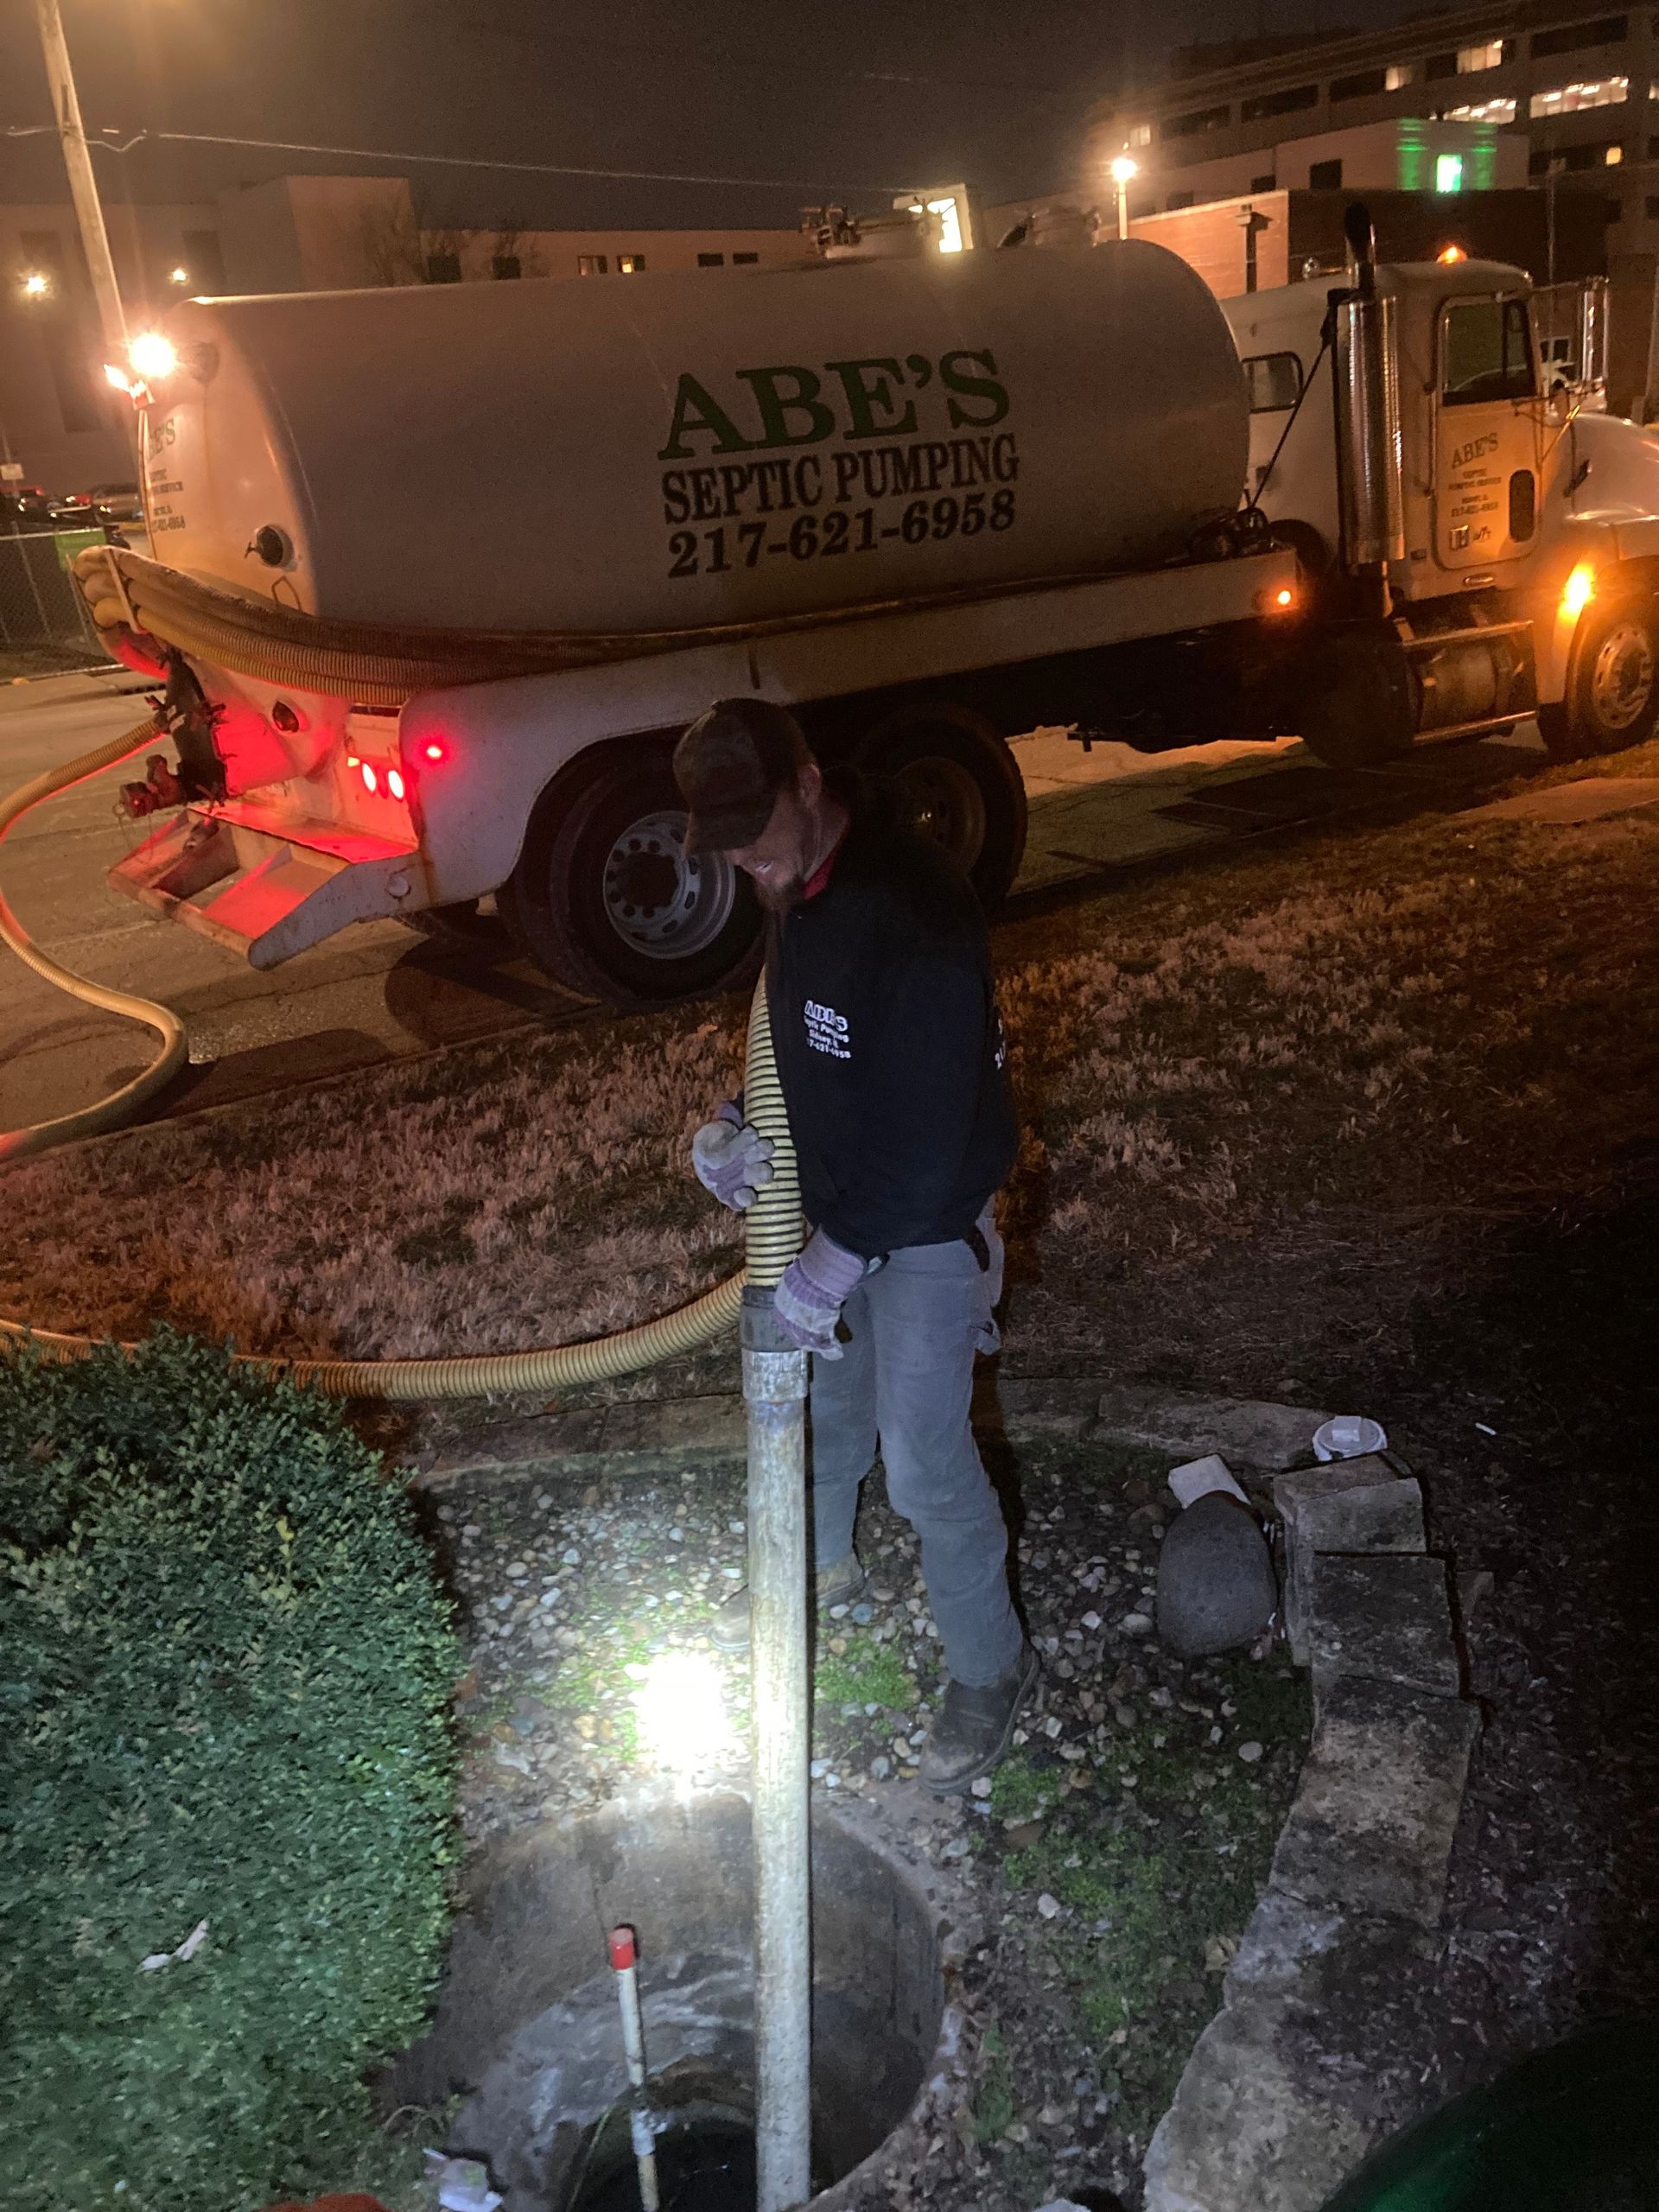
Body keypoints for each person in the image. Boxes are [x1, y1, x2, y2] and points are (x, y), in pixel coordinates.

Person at [676, 696, 1036, 1794]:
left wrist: (826, 1268)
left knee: (926, 1460)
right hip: (840, 1204)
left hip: (926, 1227)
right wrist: (742, 1128)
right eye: (726, 844)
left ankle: (992, 1670)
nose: (746, 862)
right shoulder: (793, 882)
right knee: (827, 1417)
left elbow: (926, 1148)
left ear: (811, 782)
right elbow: (804, 1032)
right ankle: (815, 1575)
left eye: (757, 832)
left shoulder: (916, 911)